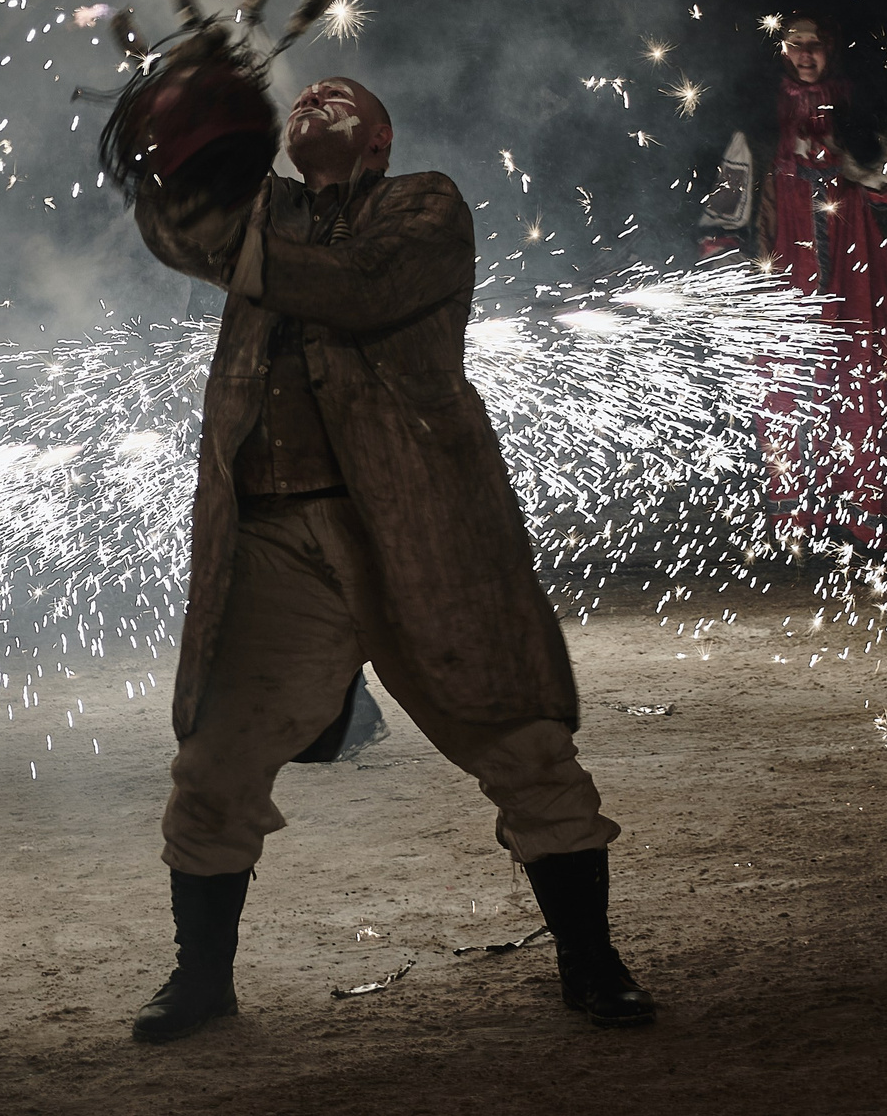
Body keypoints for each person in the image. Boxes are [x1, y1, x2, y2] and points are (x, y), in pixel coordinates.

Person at [124, 74, 653, 1041]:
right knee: (214, 766)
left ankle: (592, 959)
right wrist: (178, 137)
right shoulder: (262, 212)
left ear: (379, 139)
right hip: (279, 540)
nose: (316, 92)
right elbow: (179, 231)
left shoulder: (425, 203)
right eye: (303, 93)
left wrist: (217, 210)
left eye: (343, 95)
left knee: (522, 742)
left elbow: (359, 288)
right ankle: (201, 980)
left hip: (417, 526)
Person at [698, 14, 887, 546]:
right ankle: (796, 521)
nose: (805, 54)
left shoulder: (862, 111)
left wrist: (862, 164)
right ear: (781, 50)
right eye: (795, 44)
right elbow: (725, 207)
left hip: (859, 273)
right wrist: (724, 270)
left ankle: (872, 512)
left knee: (866, 383)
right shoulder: (762, 126)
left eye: (815, 45)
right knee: (785, 389)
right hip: (786, 274)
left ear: (832, 49)